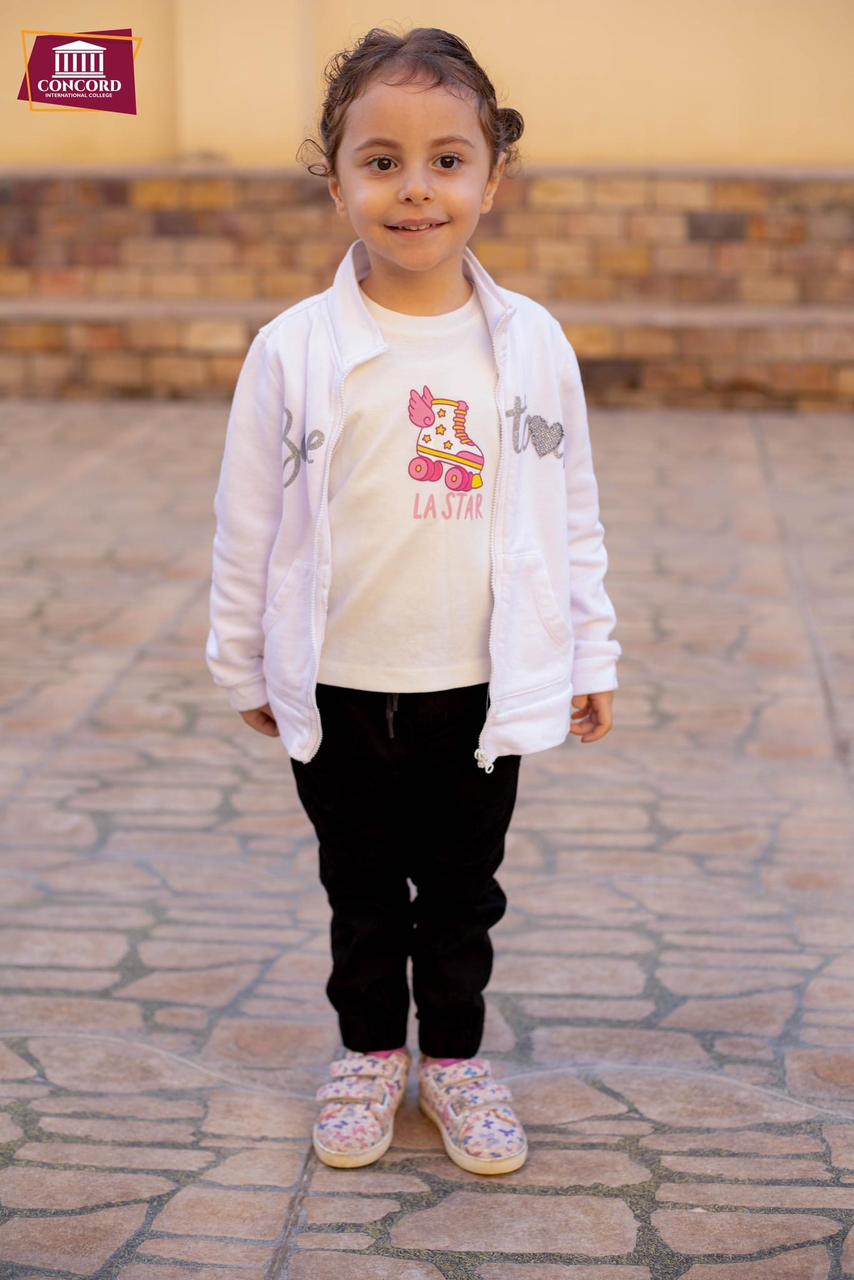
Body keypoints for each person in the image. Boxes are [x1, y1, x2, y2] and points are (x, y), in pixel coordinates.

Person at [205, 25, 622, 1177]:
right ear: (333, 179)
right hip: (339, 680)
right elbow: (247, 522)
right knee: (358, 887)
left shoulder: (529, 347)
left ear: (493, 178)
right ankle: (366, 1052)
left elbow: (571, 512)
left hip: (475, 689)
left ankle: (455, 1060)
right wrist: (242, 662)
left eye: (447, 159)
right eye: (379, 160)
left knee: (460, 891)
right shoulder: (291, 351)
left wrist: (589, 651)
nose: (414, 189)